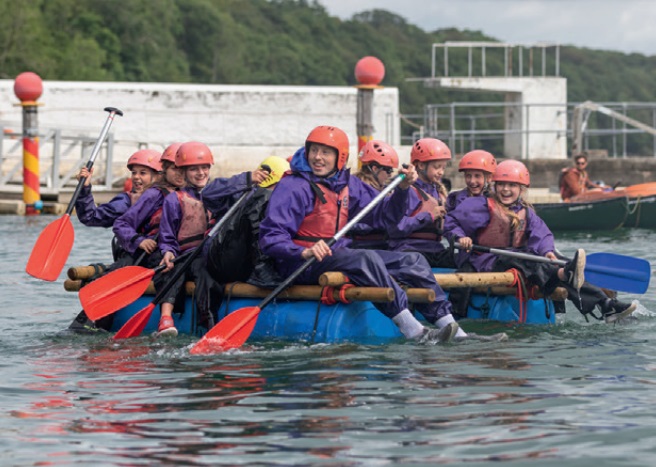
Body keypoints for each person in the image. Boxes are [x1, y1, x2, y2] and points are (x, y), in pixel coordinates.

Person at [259, 125, 490, 344]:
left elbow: (386, 217)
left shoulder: (346, 184)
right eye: (314, 151)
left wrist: (401, 190)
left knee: (413, 260)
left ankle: (453, 329)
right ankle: (414, 330)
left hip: (335, 255)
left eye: (326, 152)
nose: (318, 157)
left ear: (340, 156)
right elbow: (270, 238)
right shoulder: (292, 186)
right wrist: (303, 251)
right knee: (364, 257)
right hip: (301, 262)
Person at [444, 159, 637, 324]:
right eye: (501, 184)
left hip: (518, 259)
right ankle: (564, 274)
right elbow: (450, 220)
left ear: (521, 189)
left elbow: (542, 235)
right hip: (488, 261)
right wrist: (460, 237)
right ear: (494, 186)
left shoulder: (526, 211)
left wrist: (547, 252)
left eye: (512, 185)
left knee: (556, 259)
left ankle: (605, 305)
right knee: (532, 259)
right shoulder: (480, 206)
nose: (506, 189)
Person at [155, 142, 268, 337]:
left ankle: (209, 323)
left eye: (204, 167)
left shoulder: (222, 192)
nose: (200, 173)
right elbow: (167, 235)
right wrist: (168, 252)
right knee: (173, 272)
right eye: (194, 169)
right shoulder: (174, 199)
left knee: (207, 277)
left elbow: (221, 193)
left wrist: (251, 182)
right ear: (183, 172)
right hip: (184, 255)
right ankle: (166, 318)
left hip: (210, 257)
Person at [387, 138, 455, 268]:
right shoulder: (407, 191)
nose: (441, 172)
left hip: (435, 250)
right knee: (416, 261)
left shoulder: (439, 193)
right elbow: (396, 228)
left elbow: (447, 227)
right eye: (436, 167)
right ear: (421, 165)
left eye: (443, 167)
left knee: (463, 259)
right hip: (409, 250)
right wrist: (429, 217)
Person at [75, 149, 162, 229]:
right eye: (133, 173)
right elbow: (90, 217)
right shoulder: (126, 202)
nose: (135, 177)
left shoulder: (169, 198)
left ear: (158, 176)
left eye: (143, 173)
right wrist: (84, 188)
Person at [350, 139, 399, 250]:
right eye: (388, 170)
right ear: (375, 169)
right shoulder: (356, 188)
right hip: (361, 246)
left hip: (380, 245)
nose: (390, 175)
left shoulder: (385, 190)